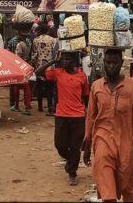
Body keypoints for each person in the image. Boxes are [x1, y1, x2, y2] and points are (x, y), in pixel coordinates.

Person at [82, 48, 133, 202]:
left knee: (127, 182)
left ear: (121, 63)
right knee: (105, 180)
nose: (111, 66)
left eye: (115, 62)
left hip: (125, 142)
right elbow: (91, 116)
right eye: (108, 62)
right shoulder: (96, 86)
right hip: (102, 140)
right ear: (103, 63)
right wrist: (87, 142)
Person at [37, 51, 89, 186]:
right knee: (60, 145)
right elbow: (37, 73)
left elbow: (86, 96)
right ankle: (71, 161)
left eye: (67, 59)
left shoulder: (82, 76)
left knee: (75, 146)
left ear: (74, 61)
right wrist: (53, 61)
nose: (64, 61)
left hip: (78, 116)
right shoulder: (57, 73)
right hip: (61, 115)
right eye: (63, 59)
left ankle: (72, 173)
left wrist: (88, 112)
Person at [31, 23, 56, 115]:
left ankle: (40, 106)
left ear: (39, 31)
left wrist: (33, 64)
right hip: (49, 67)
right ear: (47, 30)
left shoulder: (36, 40)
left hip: (39, 67)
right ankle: (50, 107)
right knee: (50, 88)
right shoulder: (53, 40)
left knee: (39, 87)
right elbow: (54, 53)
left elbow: (34, 54)